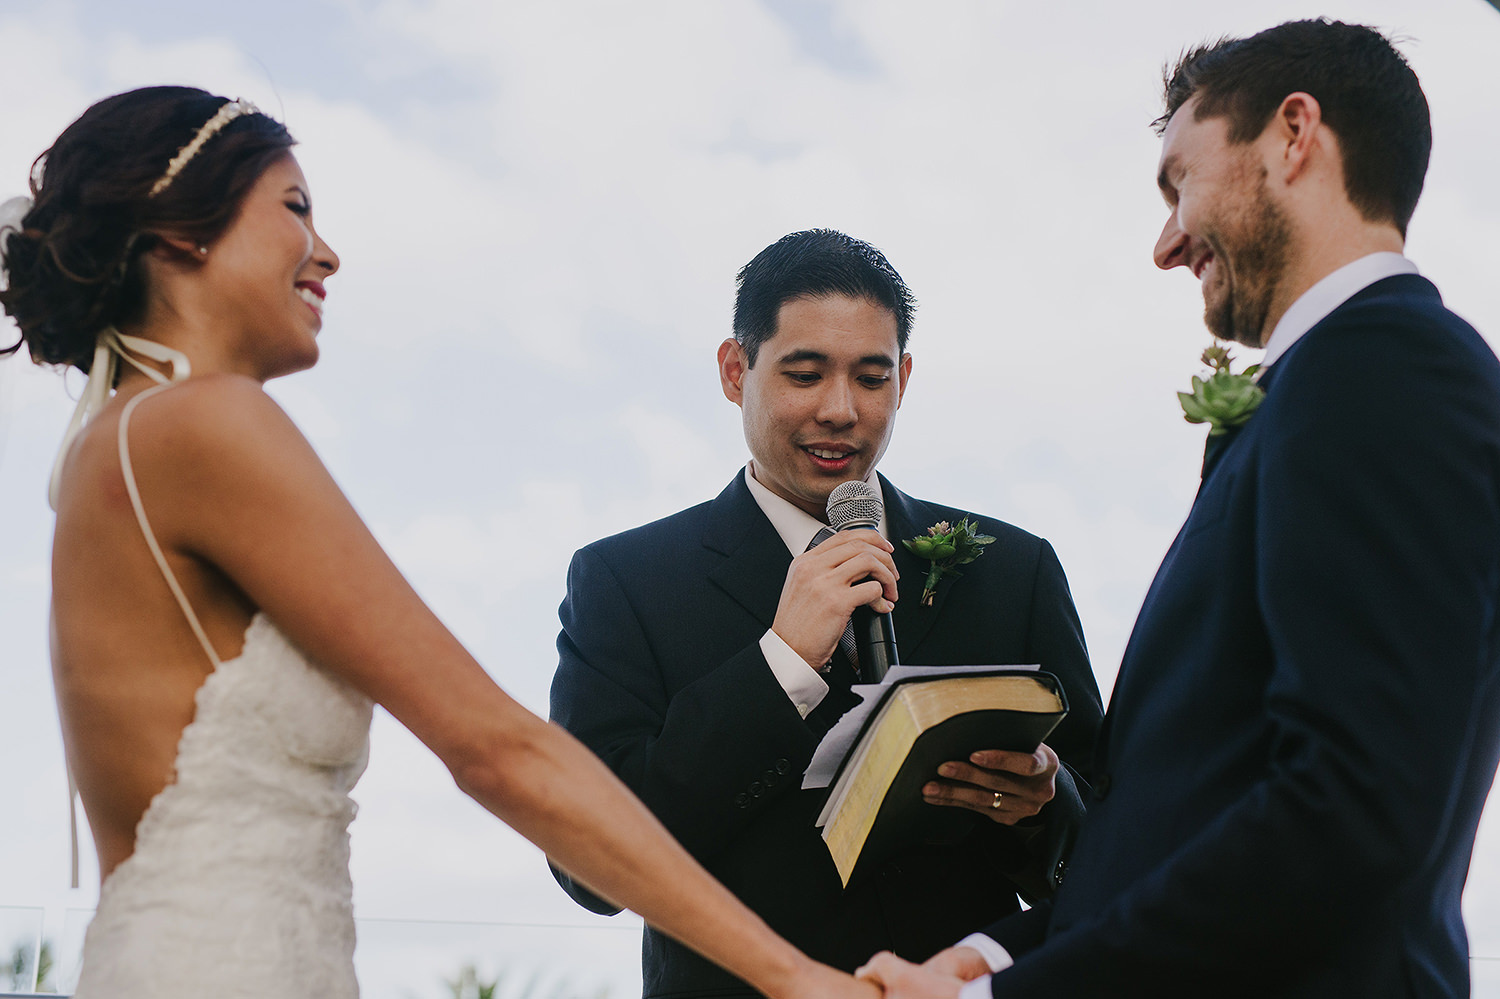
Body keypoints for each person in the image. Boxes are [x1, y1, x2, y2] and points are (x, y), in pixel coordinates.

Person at [0, 86, 878, 999]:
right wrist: (799, 978)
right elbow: (498, 748)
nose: (327, 251)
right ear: (182, 231)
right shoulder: (203, 423)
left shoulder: (115, 442)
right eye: (295, 208)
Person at [858, 19, 1500, 999]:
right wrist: (996, 955)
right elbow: (1196, 803)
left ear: (1295, 135)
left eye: (1178, 183)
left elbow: (1354, 813)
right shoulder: (1329, 386)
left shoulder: (1383, 372)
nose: (1165, 244)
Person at [548, 228, 1104, 997]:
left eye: (872, 377)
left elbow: (1115, 844)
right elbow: (588, 868)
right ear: (734, 368)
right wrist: (779, 664)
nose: (841, 410)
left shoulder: (1014, 568)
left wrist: (1043, 804)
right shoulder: (625, 580)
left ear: (904, 378)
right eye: (805, 374)